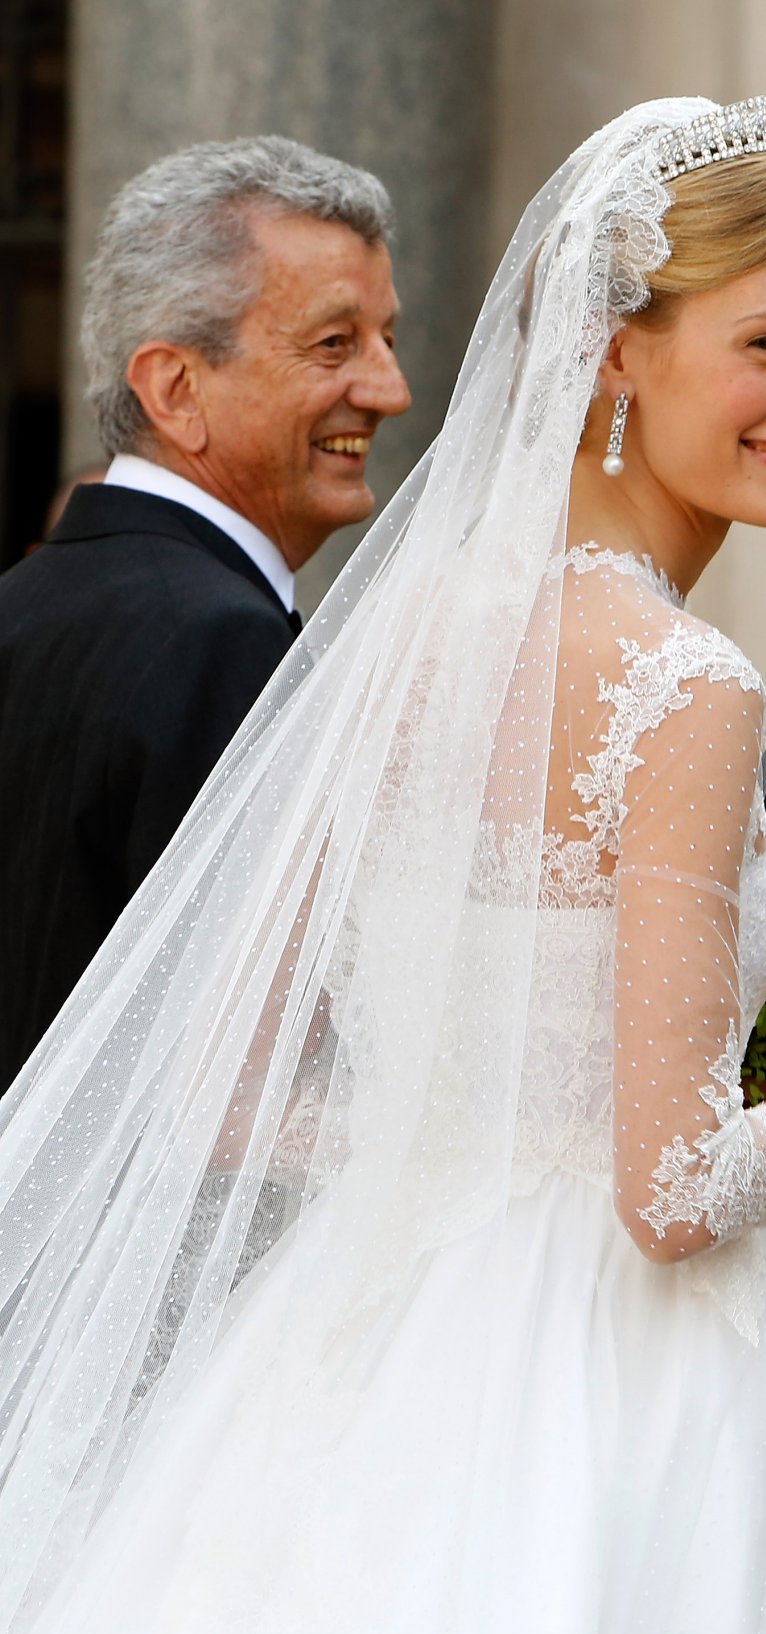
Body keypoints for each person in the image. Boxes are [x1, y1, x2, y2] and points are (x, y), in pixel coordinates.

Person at [0, 102, 766, 1634]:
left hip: (348, 1343)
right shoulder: (684, 685)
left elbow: (230, 1096)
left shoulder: (394, 637)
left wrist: (458, 1141)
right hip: (610, 1381)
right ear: (617, 353)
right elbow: (672, 1190)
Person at [0, 136, 411, 1092]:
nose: (389, 388)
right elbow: (238, 1091)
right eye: (334, 343)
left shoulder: (18, 605)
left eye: (388, 337)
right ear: (177, 388)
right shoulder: (222, 641)